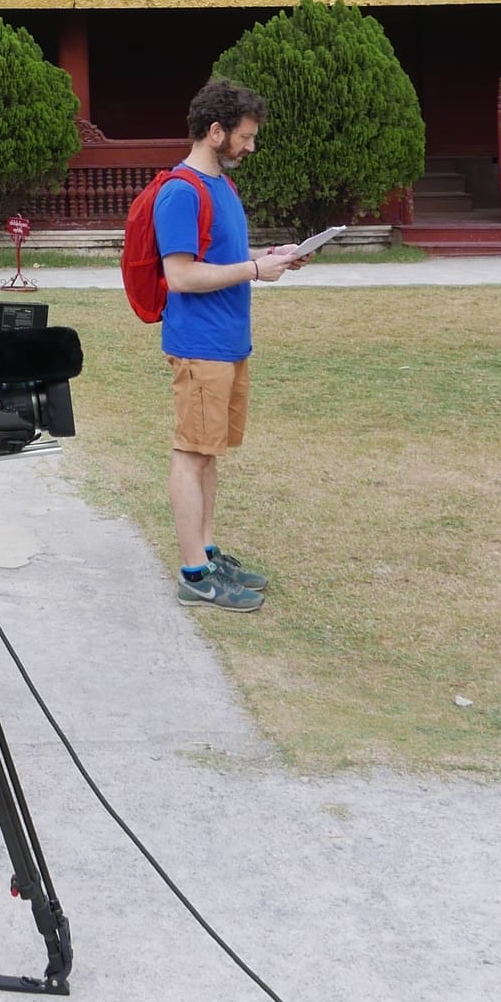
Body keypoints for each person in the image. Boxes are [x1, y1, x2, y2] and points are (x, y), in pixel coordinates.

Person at [156, 76, 299, 612]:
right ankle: (194, 573)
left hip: (229, 343)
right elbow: (182, 277)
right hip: (199, 346)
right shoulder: (180, 192)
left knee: (208, 453)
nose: (250, 145)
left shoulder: (223, 187)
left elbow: (223, 259)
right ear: (215, 132)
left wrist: (271, 256)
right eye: (244, 136)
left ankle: (208, 552)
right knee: (190, 454)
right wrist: (256, 271)